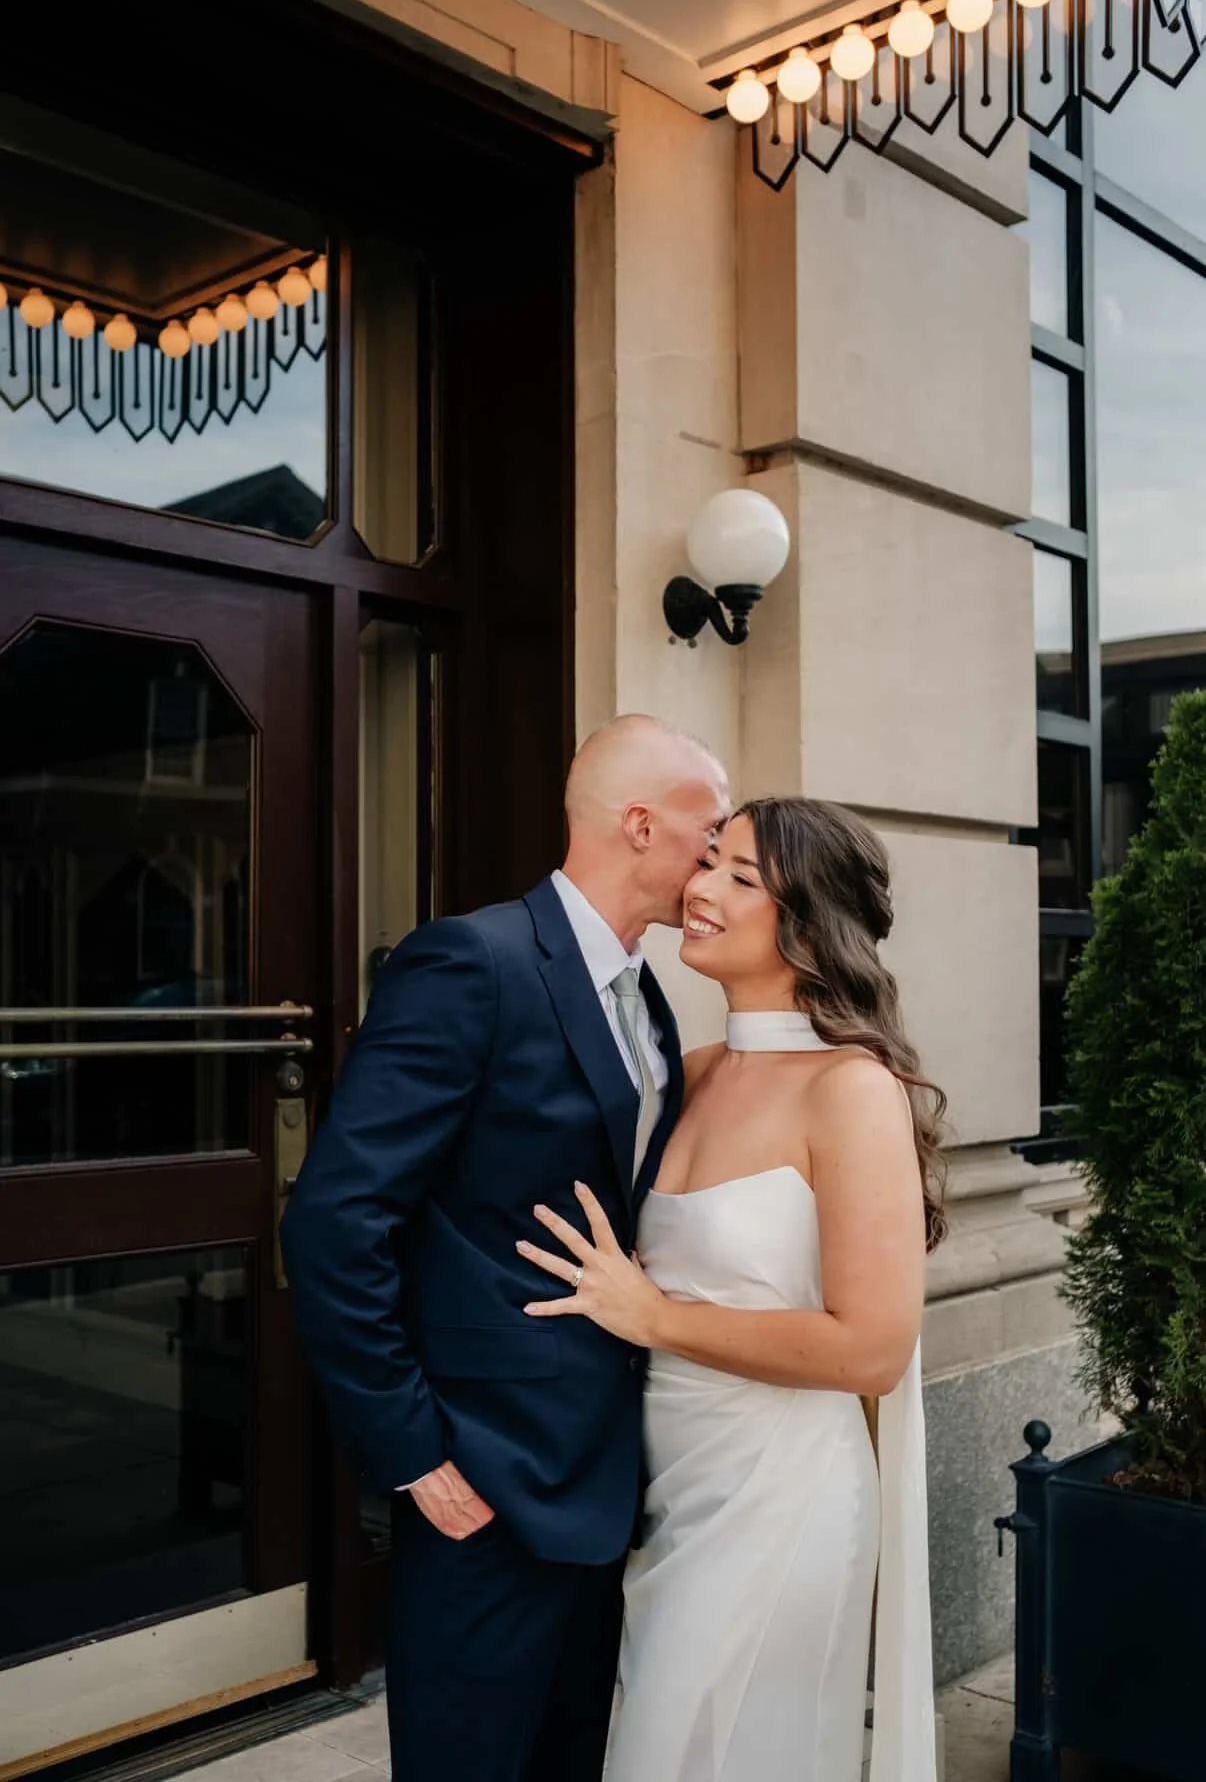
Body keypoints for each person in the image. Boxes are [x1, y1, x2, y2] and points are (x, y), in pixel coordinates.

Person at [279, 714, 730, 1782]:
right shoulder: (471, 962)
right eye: (708, 832)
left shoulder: (649, 997)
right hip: (484, 1474)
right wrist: (414, 1451)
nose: (716, 858)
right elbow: (337, 1219)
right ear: (637, 825)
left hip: (608, 1470)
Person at [519, 796, 945, 1782]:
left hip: (779, 1498)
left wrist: (653, 1315)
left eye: (740, 875)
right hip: (663, 1495)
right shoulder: (689, 1073)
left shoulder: (851, 1089)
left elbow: (873, 1350)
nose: (700, 887)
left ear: (811, 921)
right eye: (708, 861)